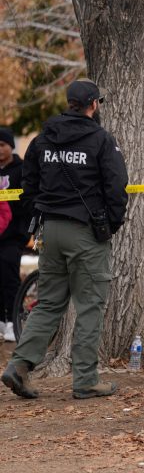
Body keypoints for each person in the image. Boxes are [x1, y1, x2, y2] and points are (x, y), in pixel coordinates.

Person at [1, 78, 128, 400]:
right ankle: (85, 379)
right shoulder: (101, 140)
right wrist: (108, 226)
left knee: (48, 304)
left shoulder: (43, 138)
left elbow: (28, 186)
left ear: (69, 102)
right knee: (90, 306)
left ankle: (19, 365)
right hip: (85, 232)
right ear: (94, 104)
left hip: (51, 230)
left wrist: (40, 213)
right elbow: (116, 187)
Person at [0, 127, 29, 343]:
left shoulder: (22, 170)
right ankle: (1, 320)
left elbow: (27, 201)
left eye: (2, 145)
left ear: (11, 146)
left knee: (10, 275)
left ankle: (13, 319)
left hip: (13, 234)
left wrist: (23, 231)